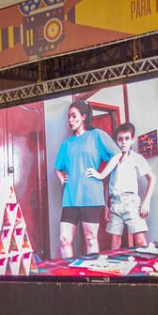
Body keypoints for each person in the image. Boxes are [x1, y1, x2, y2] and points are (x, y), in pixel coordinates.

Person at [53, 100, 117, 258]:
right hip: (70, 198)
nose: (70, 120)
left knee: (90, 239)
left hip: (91, 196)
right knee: (64, 239)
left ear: (83, 116)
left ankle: (91, 277)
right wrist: (63, 181)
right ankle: (69, 279)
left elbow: (116, 155)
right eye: (68, 117)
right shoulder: (66, 144)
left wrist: (101, 175)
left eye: (74, 116)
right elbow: (57, 167)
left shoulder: (96, 135)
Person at [88, 121, 156, 250]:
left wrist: (146, 202)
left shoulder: (136, 158)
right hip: (115, 203)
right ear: (116, 141)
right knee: (115, 242)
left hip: (131, 202)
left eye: (126, 139)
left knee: (140, 241)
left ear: (132, 140)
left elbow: (152, 178)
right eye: (120, 139)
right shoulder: (113, 160)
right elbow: (107, 184)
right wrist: (106, 205)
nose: (123, 142)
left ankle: (143, 267)